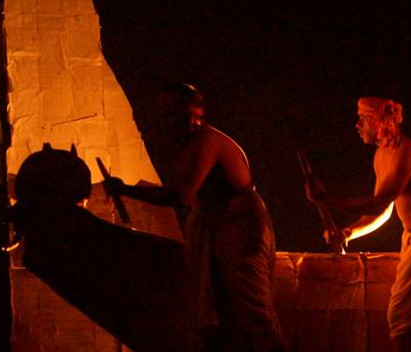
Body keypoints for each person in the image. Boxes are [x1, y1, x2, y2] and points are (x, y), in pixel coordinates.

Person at [105, 83, 285, 352]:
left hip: (238, 227)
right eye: (163, 115)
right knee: (221, 315)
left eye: (172, 113)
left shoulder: (206, 141)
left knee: (251, 312)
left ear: (194, 113)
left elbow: (181, 195)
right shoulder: (191, 145)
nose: (166, 122)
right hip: (217, 228)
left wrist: (127, 190)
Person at [306, 97, 411, 351]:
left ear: (378, 122)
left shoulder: (405, 153)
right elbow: (384, 211)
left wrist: (328, 200)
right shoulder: (381, 156)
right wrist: (349, 232)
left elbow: (378, 203)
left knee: (401, 317)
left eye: (362, 119)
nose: (357, 125)